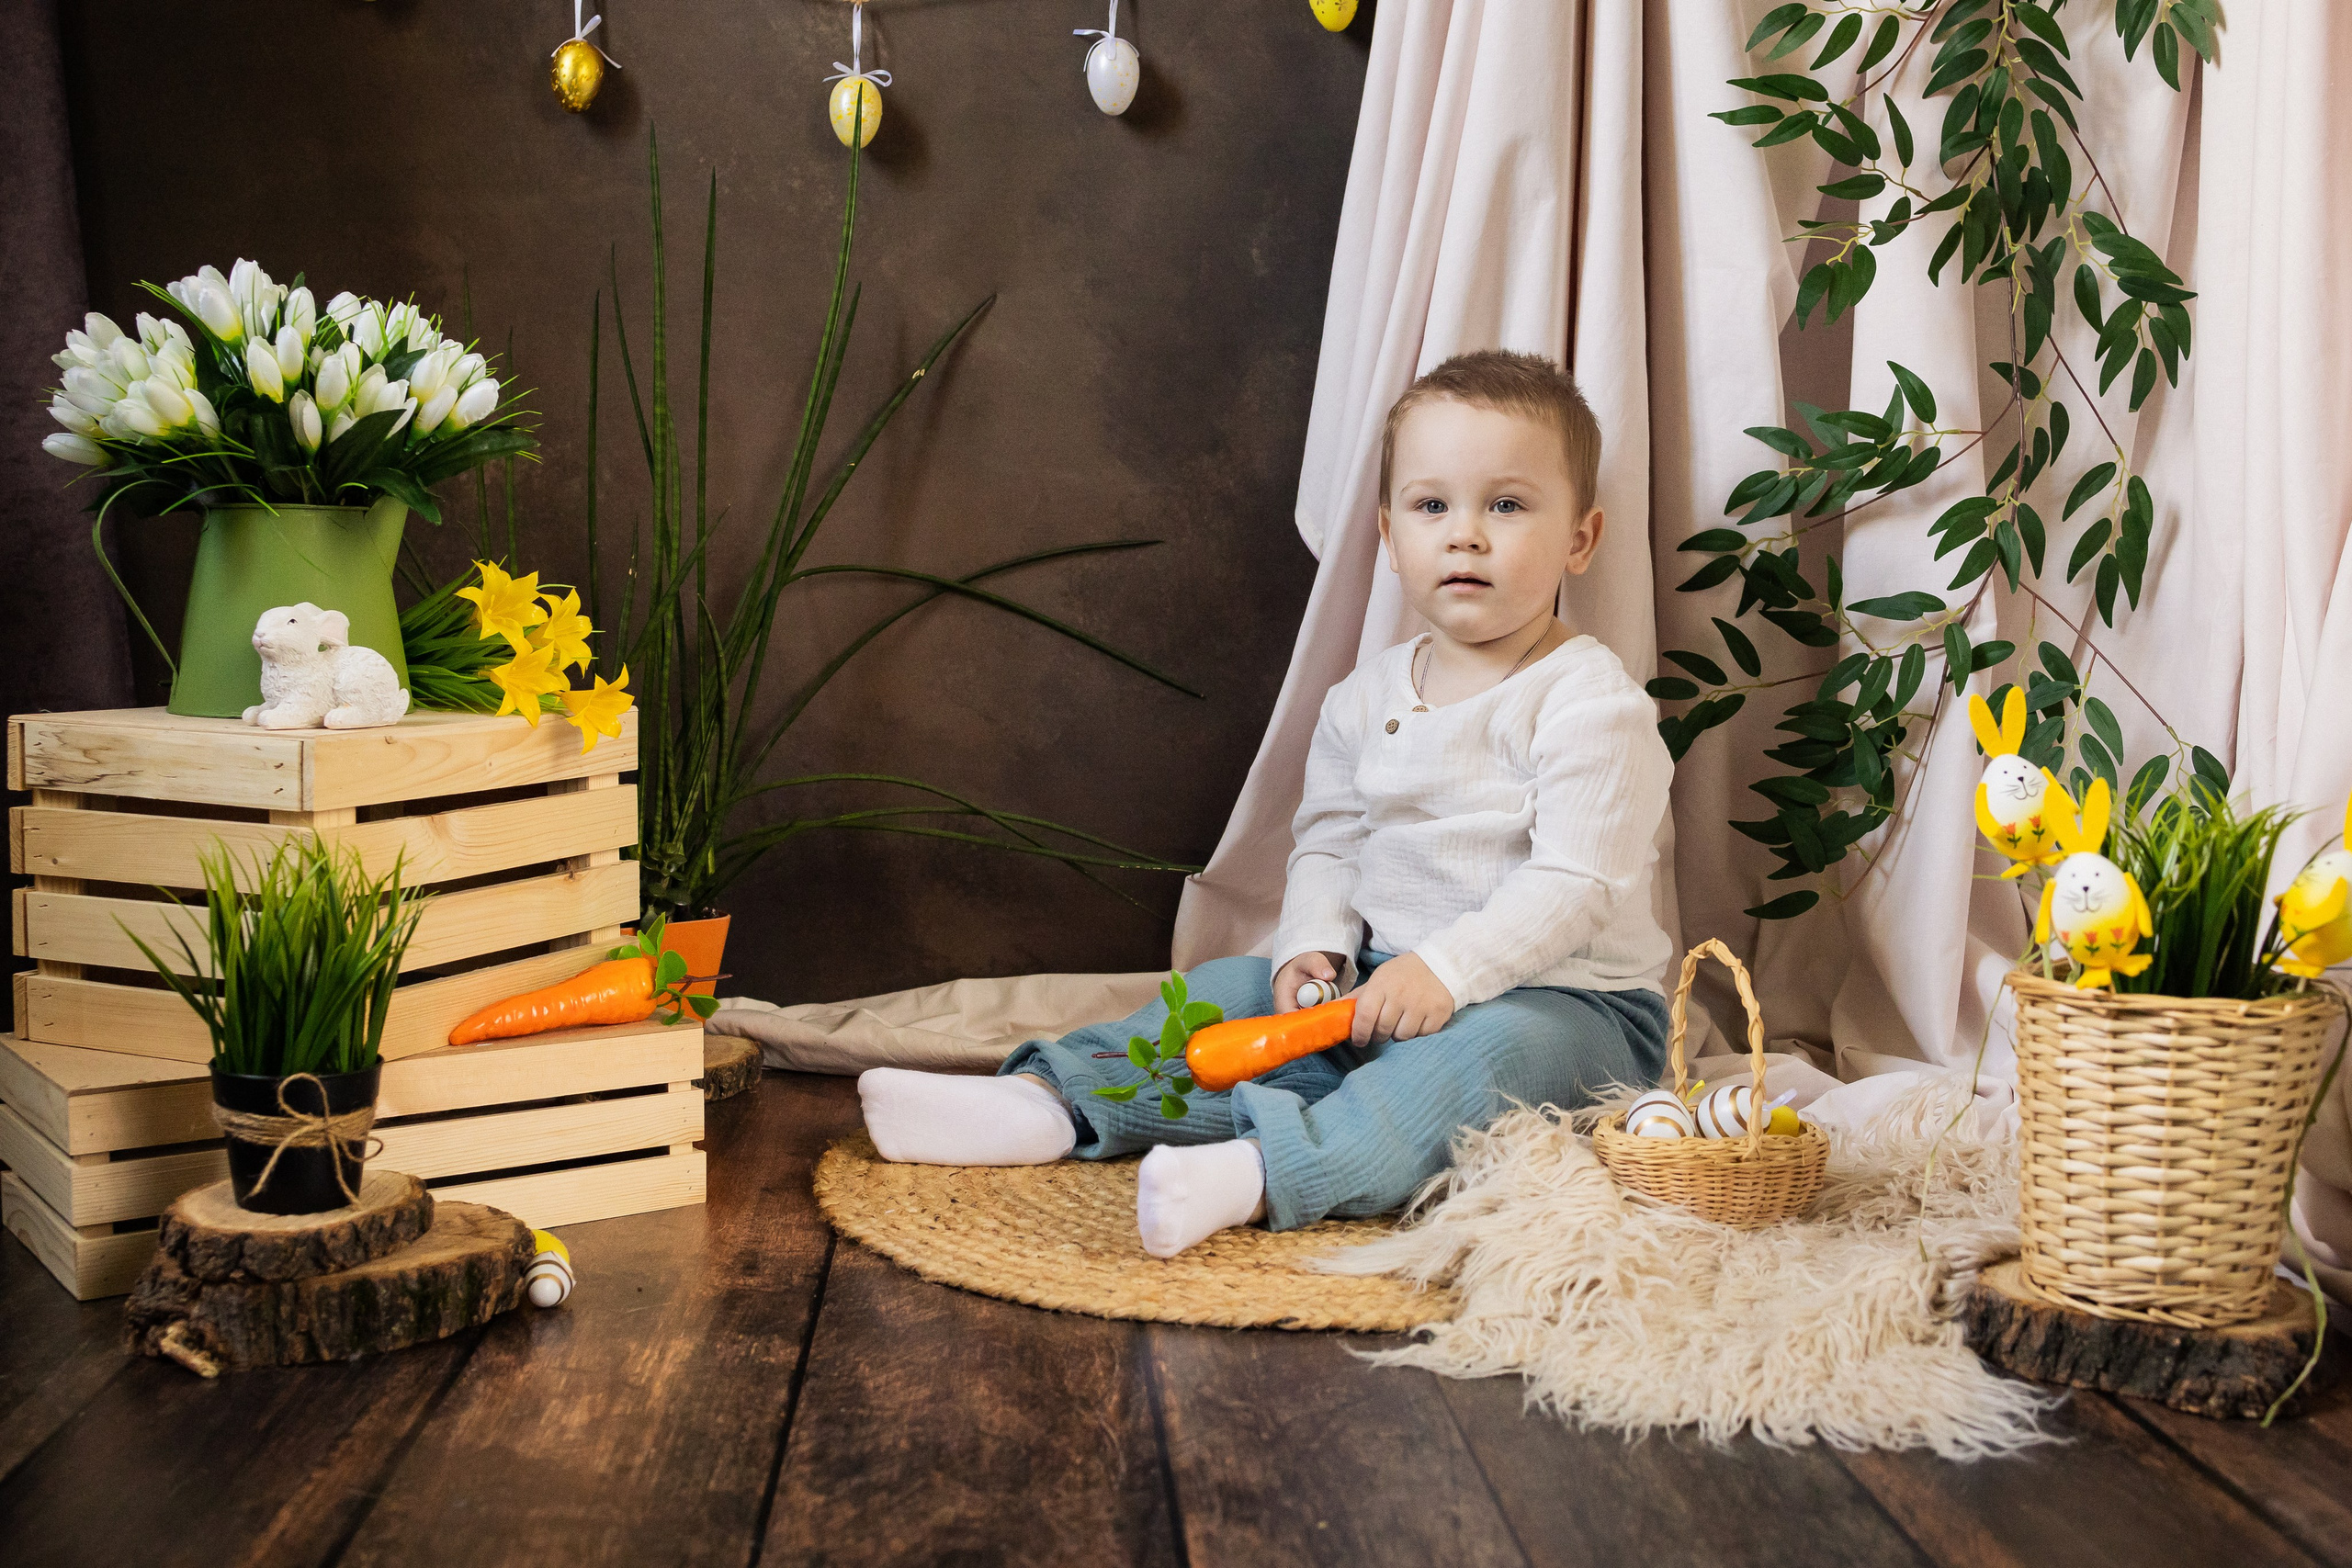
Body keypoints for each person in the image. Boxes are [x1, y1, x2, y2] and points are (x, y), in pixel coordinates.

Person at [858, 350, 1676, 1257]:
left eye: (1508, 505)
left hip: (1564, 1008)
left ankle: (1263, 1173)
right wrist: (1313, 946)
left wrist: (1445, 972)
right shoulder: (1361, 698)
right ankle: (1048, 1104)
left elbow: (1572, 884)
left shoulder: (1589, 703)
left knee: (1474, 1061)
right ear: (1388, 534)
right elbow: (1329, 843)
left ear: (1579, 540)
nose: (1465, 536)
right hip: (1376, 984)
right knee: (1225, 994)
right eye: (1431, 506)